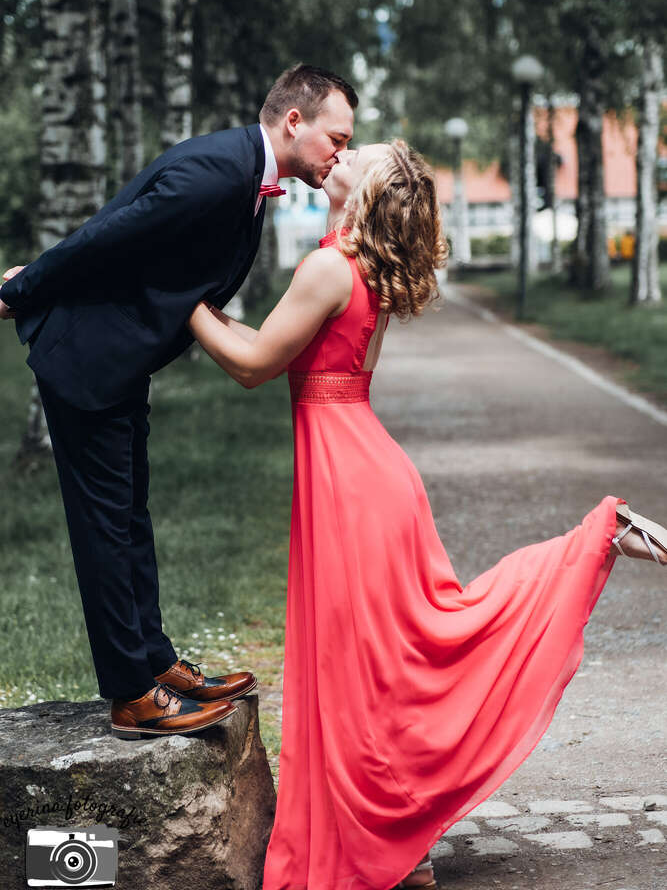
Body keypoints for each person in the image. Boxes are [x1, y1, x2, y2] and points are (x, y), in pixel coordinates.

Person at [188, 138, 667, 889]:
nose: (340, 156)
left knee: (372, 662)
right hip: (366, 472)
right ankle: (394, 845)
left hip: (351, 483)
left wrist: (179, 301)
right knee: (388, 659)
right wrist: (209, 310)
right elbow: (276, 350)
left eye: (357, 157)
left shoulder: (328, 268)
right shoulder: (354, 269)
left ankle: (600, 535)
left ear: (367, 195)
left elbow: (253, 366)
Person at [0, 64, 358, 741]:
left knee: (129, 516)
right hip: (86, 359)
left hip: (118, 363)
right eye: (335, 139)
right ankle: (132, 695)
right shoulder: (219, 171)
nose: (339, 154)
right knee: (105, 528)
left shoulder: (244, 175)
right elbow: (108, 234)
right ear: (294, 122)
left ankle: (155, 662)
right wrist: (20, 290)